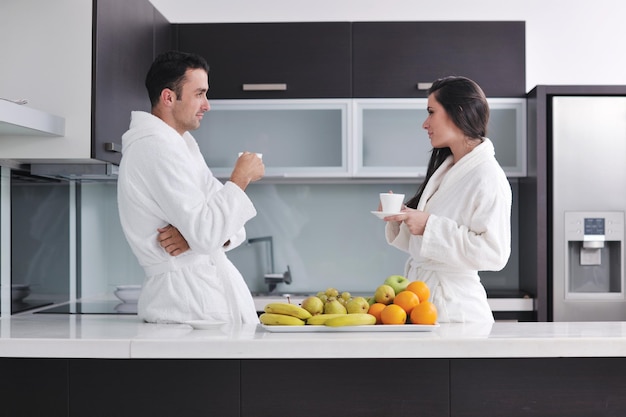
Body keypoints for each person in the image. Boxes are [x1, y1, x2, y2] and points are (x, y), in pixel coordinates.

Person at [117, 50, 265, 324]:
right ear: (169, 97)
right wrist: (240, 179)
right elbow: (209, 231)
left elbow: (232, 229)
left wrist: (194, 238)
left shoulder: (181, 147)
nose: (207, 105)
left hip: (199, 301)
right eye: (199, 94)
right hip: (186, 306)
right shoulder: (155, 148)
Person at [383, 76, 511, 323]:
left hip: (458, 312)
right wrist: (404, 218)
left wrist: (429, 225)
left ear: (457, 112)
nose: (425, 123)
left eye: (431, 112)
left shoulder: (487, 175)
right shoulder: (450, 169)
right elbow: (428, 245)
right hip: (424, 302)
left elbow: (495, 253)